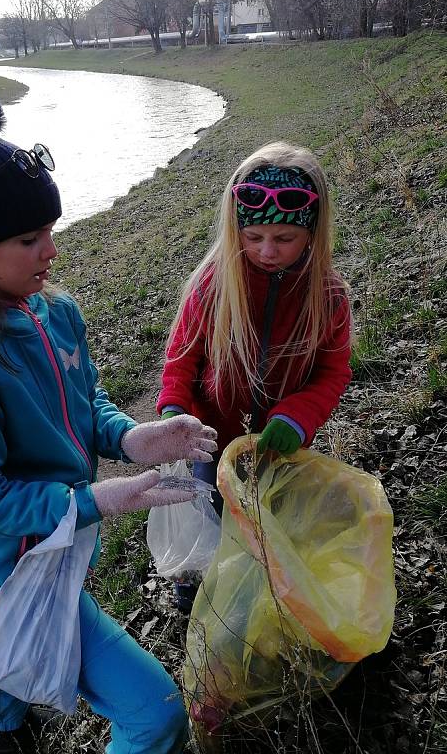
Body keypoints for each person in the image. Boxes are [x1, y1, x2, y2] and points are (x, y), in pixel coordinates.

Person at [0, 83, 217, 754]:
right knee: (154, 713)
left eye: (50, 232)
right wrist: (92, 499)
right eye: (28, 238)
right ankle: (7, 721)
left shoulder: (56, 314)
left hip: (63, 537)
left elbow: (86, 404)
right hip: (14, 562)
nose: (51, 251)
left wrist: (133, 436)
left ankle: (4, 723)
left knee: (9, 647)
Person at [156, 141, 352, 611]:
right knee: (204, 513)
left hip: (278, 442)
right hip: (205, 437)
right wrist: (174, 411)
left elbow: (332, 373)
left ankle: (263, 596)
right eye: (254, 236)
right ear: (235, 228)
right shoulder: (212, 286)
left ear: (312, 232)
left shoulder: (328, 298)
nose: (267, 251)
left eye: (284, 238)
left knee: (267, 525)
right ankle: (196, 593)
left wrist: (297, 418)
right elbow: (181, 359)